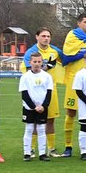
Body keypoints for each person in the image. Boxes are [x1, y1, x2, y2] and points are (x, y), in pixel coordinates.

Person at [61, 13, 86, 157]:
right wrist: (83, 53)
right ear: (79, 23)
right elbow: (67, 56)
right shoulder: (72, 36)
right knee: (71, 112)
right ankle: (68, 146)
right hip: (75, 80)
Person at [21, 28, 64, 157]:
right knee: (34, 121)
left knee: (51, 120)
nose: (46, 38)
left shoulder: (55, 51)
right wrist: (47, 67)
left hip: (51, 90)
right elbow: (31, 70)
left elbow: (67, 60)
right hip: (34, 92)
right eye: (43, 36)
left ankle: (51, 148)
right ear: (37, 37)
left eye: (48, 36)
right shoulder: (31, 52)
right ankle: (32, 149)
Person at [19, 53, 53, 162]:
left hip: (42, 108)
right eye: (35, 62)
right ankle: (27, 153)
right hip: (29, 108)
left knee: (41, 129)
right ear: (30, 62)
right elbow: (24, 94)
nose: (37, 64)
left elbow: (49, 93)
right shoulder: (25, 77)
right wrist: (34, 107)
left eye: (39, 62)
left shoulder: (47, 76)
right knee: (29, 129)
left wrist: (43, 106)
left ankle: (42, 154)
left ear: (42, 62)